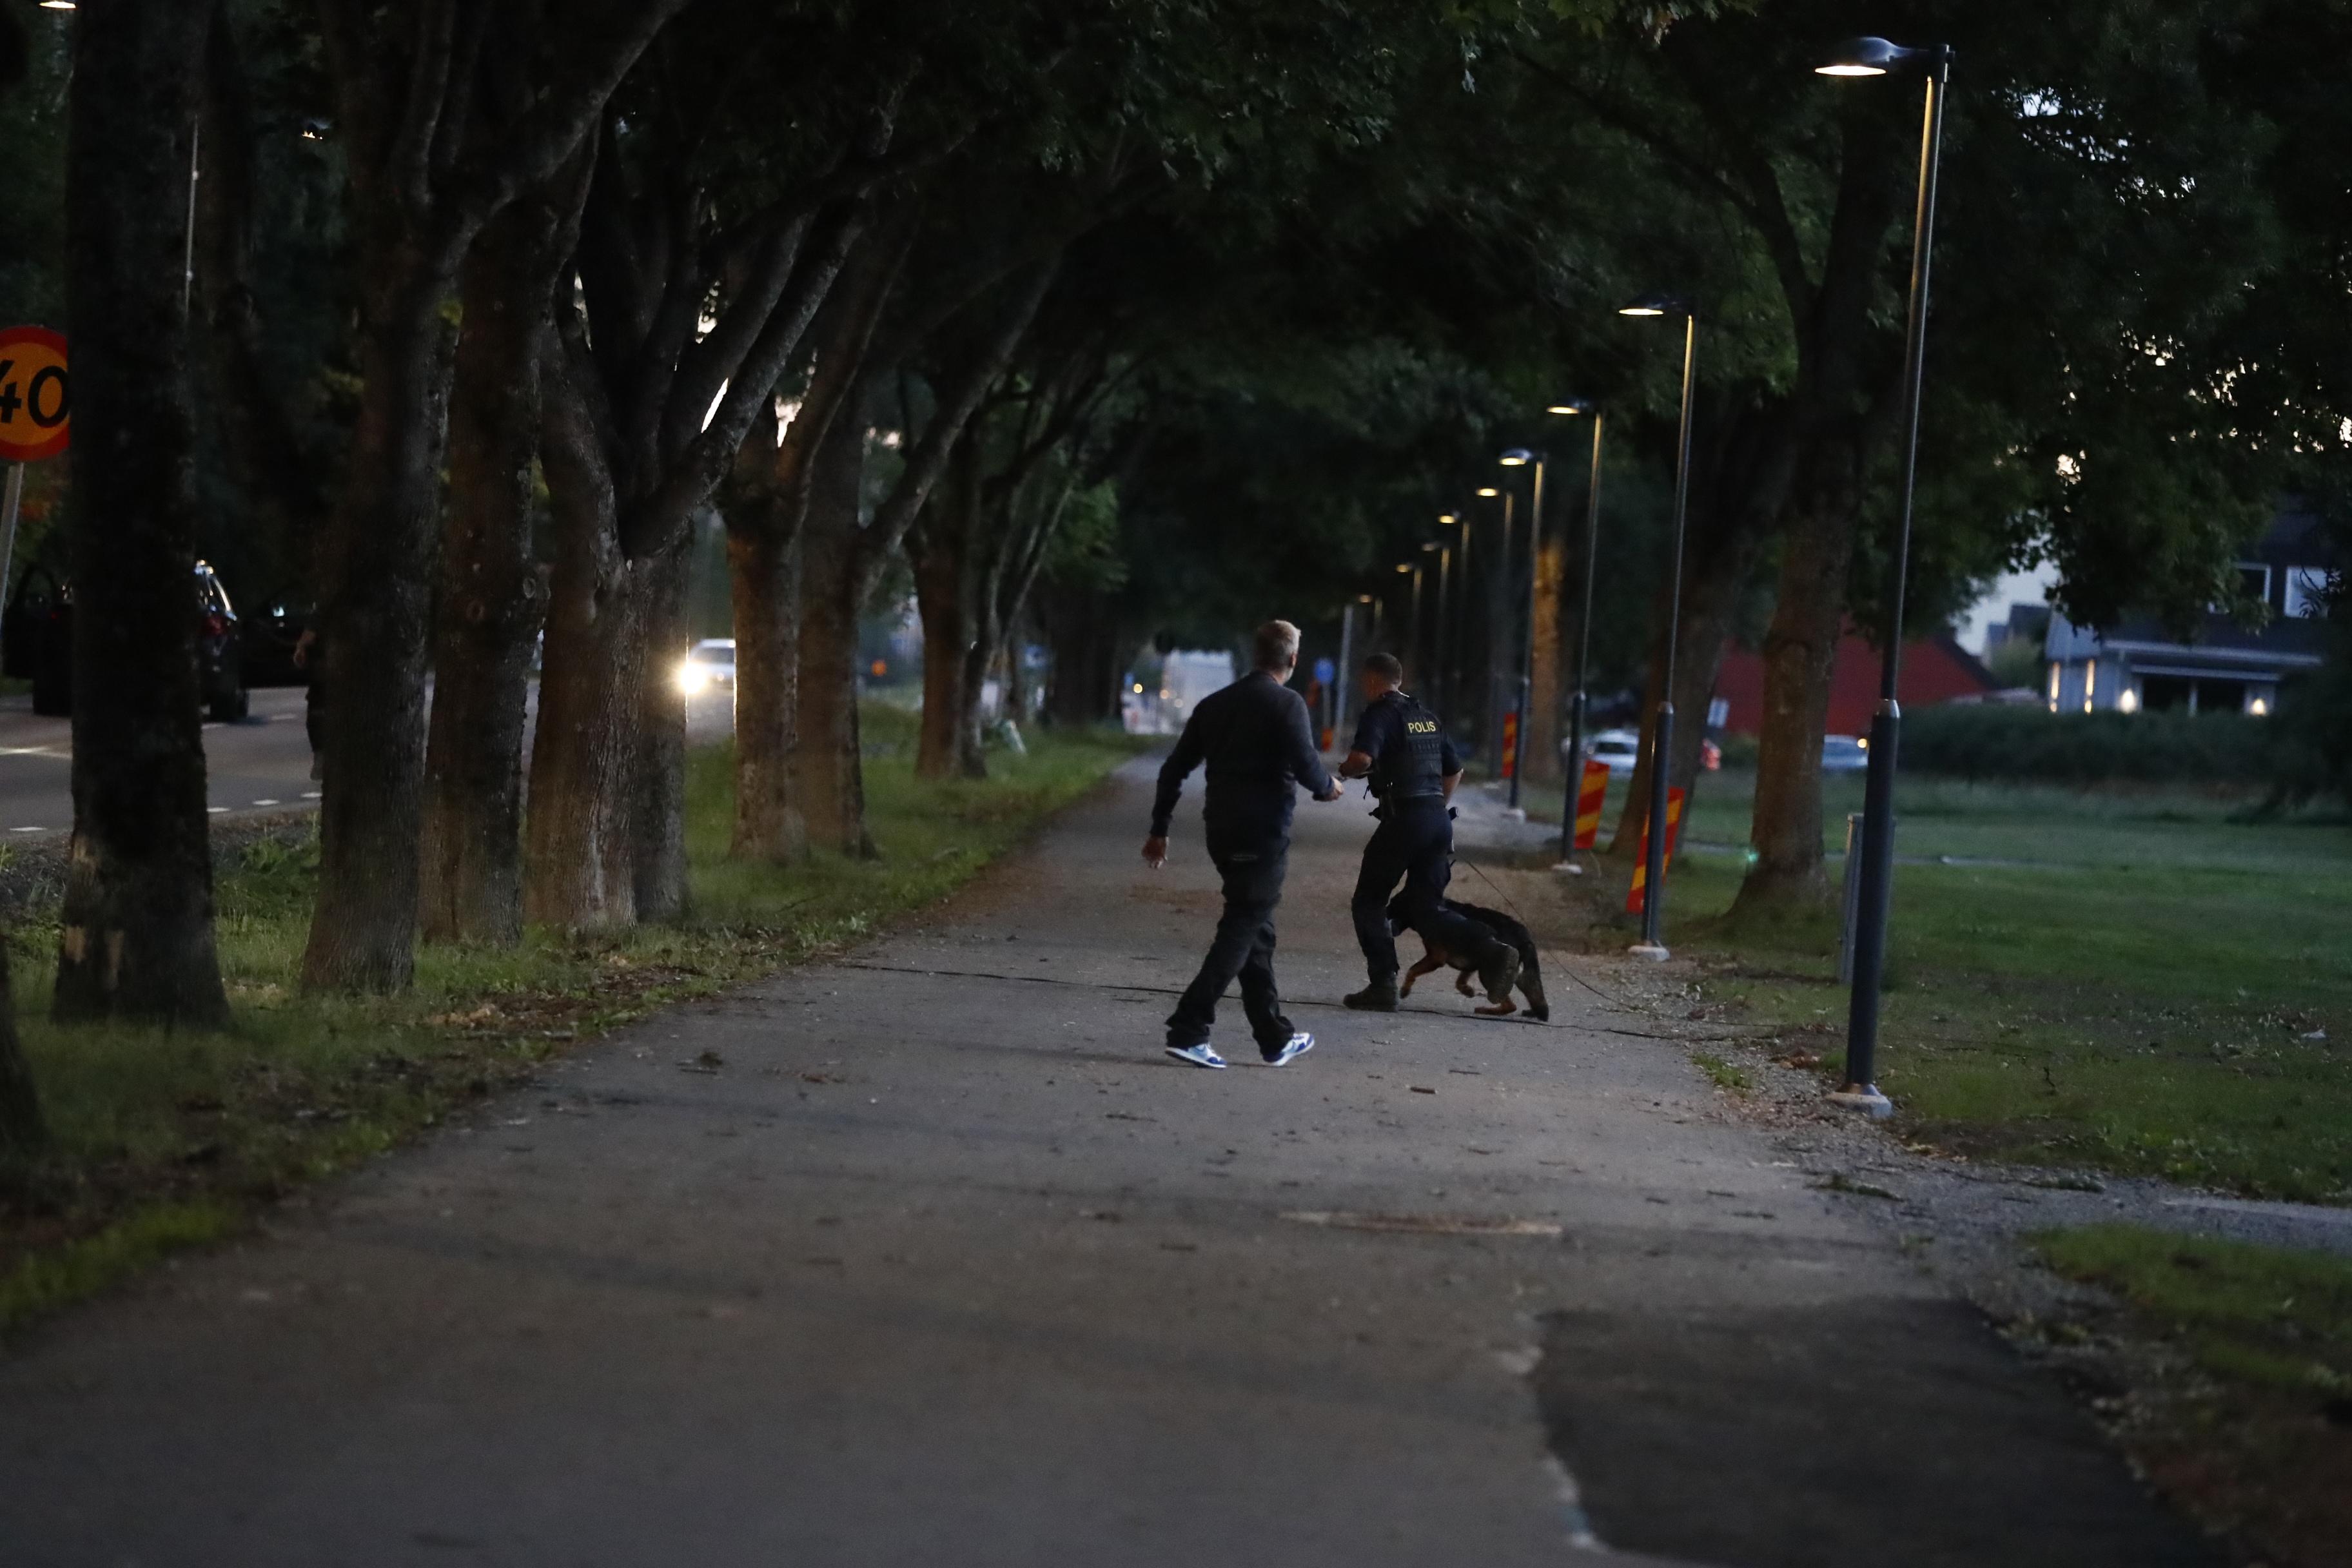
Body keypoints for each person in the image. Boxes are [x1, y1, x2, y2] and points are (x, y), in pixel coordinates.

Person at [1143, 620, 1342, 1070]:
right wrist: (1329, 787)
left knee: (1257, 930)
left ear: (1256, 655)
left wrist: (1160, 829)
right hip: (1263, 835)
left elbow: (1174, 769)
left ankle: (1274, 1038)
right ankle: (1189, 1028)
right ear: (1291, 660)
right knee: (1242, 925)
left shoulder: (1215, 705)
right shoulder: (1287, 704)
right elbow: (1309, 768)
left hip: (1222, 832)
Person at [1335, 652, 1520, 1012]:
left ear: (1373, 681)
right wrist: (1435, 808)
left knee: (1369, 901)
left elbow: (1362, 760)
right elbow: (1455, 770)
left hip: (1404, 819)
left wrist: (1343, 771)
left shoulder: (1379, 713)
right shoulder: (1427, 717)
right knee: (1426, 906)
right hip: (1437, 820)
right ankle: (1492, 950)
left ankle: (1383, 984)